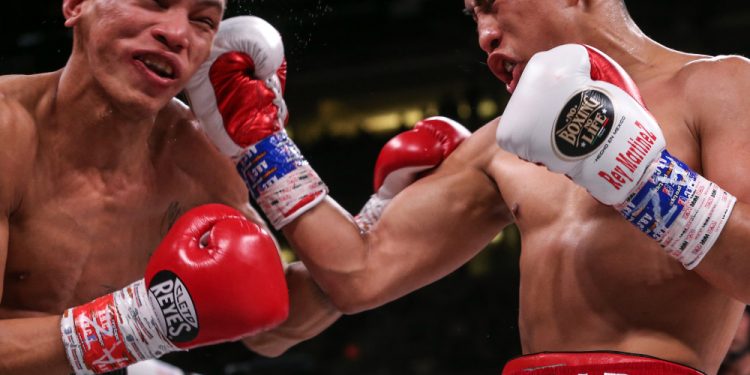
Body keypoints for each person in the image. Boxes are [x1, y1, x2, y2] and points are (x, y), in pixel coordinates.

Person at [187, 0, 750, 374]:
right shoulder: (501, 142)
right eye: (472, 14)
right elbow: (358, 273)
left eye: (492, 4)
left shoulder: (719, 87)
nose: (484, 36)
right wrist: (262, 144)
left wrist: (638, 172)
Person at [0, 0, 341, 374]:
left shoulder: (195, 165)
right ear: (77, 5)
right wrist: (139, 324)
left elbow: (272, 321)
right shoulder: (9, 132)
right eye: (156, 2)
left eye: (203, 21)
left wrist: (385, 226)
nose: (177, 34)